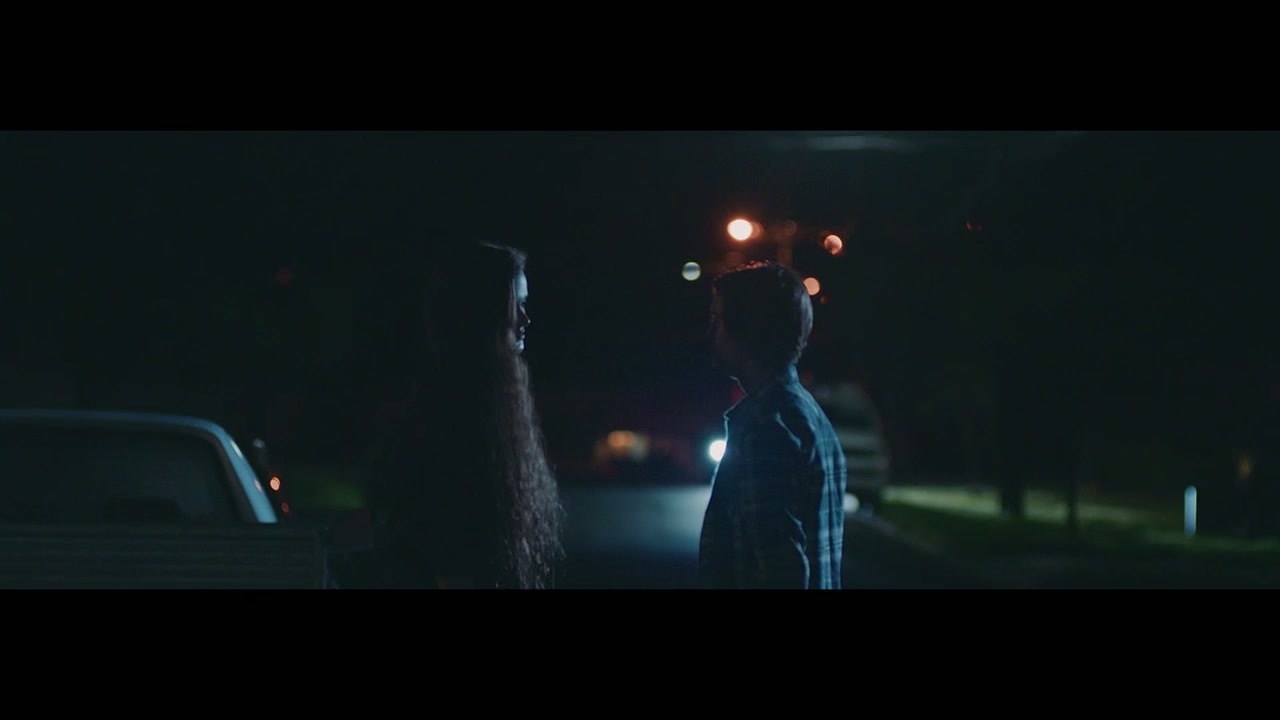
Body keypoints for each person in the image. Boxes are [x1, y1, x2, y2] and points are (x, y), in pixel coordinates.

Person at [345, 241, 564, 589]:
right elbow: (448, 545)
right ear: (485, 312)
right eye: (517, 305)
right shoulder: (454, 414)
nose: (525, 320)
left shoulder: (473, 403)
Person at [699, 261, 846, 589]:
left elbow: (781, 569)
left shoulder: (764, 428)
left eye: (716, 320)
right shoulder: (810, 416)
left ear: (748, 331)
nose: (709, 333)